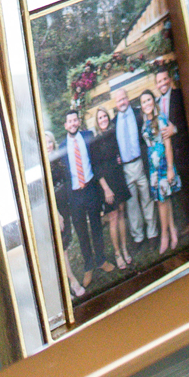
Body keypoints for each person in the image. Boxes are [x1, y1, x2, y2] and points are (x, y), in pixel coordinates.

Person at [61, 107, 111, 285]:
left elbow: (97, 161)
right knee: (82, 232)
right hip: (75, 196)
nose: (73, 123)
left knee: (96, 226)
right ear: (65, 125)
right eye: (70, 121)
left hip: (90, 188)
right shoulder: (61, 148)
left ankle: (101, 260)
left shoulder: (88, 136)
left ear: (78, 122)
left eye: (75, 120)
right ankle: (88, 266)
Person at [112, 84, 157, 249]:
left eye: (124, 98)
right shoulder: (113, 122)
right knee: (132, 204)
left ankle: (152, 234)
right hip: (126, 169)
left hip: (141, 164)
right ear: (116, 104)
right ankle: (138, 237)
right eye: (119, 100)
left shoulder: (139, 114)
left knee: (147, 199)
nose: (122, 102)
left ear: (128, 98)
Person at [88, 106, 133, 269]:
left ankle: (125, 248)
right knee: (113, 217)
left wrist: (120, 157)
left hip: (118, 178)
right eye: (100, 118)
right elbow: (96, 167)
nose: (103, 120)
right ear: (97, 121)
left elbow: (118, 151)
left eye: (105, 116)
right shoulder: (94, 141)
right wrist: (106, 189)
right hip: (106, 184)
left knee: (121, 213)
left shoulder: (113, 134)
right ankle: (117, 253)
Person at [139, 86, 180, 255]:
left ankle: (164, 236)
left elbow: (168, 144)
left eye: (149, 99)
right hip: (153, 169)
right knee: (164, 199)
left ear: (153, 101)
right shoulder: (145, 121)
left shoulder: (161, 119)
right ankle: (173, 231)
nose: (147, 103)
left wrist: (170, 168)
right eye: (143, 102)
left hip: (163, 166)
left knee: (161, 202)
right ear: (141, 106)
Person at [154, 63, 189, 247]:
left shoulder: (178, 95)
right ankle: (187, 221)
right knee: (178, 190)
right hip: (167, 154)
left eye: (164, 79)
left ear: (169, 79)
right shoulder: (156, 104)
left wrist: (175, 129)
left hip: (182, 149)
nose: (162, 83)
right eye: (158, 81)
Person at [44, 132, 85, 297]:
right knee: (61, 248)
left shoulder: (58, 159)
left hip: (67, 205)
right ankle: (72, 281)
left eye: (50, 142)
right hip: (55, 211)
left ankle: (66, 282)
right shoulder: (42, 165)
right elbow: (46, 193)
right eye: (45, 143)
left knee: (65, 244)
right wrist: (57, 214)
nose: (48, 145)